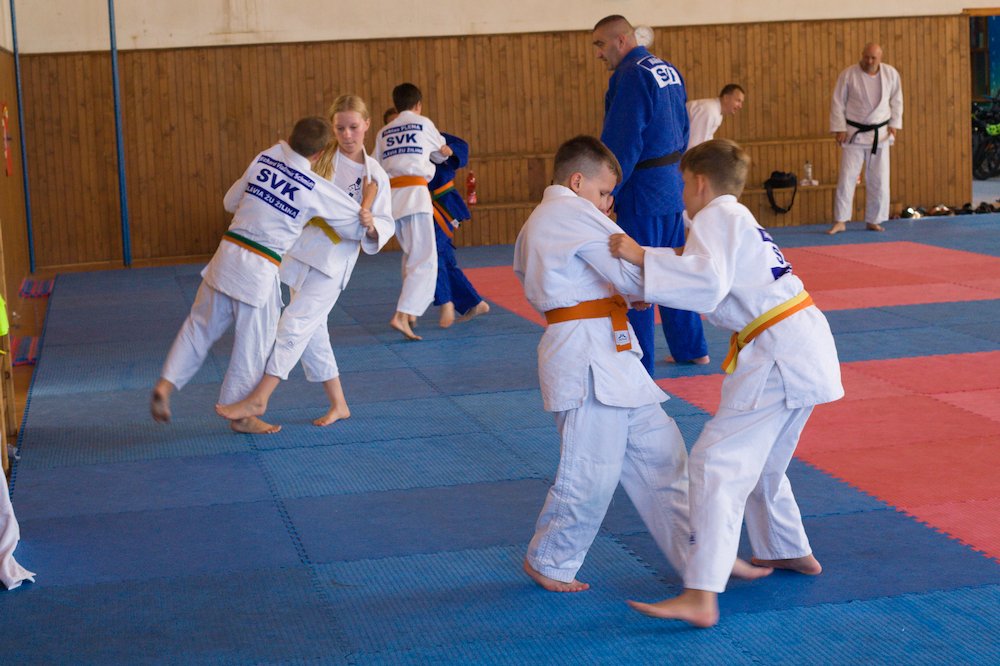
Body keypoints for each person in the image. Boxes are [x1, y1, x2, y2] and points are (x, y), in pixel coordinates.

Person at [611, 139, 843, 627]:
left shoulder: (715, 216)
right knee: (763, 464)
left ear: (699, 182)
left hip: (778, 354)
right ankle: (785, 548)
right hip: (800, 343)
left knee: (715, 463)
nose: (682, 195)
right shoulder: (736, 218)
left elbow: (706, 284)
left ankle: (701, 594)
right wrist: (648, 262)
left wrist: (641, 257)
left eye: (682, 185)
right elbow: (700, 268)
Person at [514, 135, 691, 593]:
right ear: (577, 182)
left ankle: (700, 557)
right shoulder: (570, 212)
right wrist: (682, 269)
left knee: (662, 455)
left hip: (608, 350)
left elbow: (591, 281)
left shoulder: (546, 220)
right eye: (604, 192)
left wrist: (629, 290)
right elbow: (627, 271)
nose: (608, 204)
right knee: (591, 469)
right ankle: (550, 559)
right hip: (586, 356)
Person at [150, 117, 371, 434]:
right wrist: (368, 200)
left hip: (226, 254)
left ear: (289, 138)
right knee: (255, 343)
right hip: (258, 268)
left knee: (199, 326)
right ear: (320, 154)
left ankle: (165, 384)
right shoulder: (314, 187)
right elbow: (355, 222)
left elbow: (230, 201)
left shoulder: (266, 156)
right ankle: (243, 415)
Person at [216, 95, 394, 428]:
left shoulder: (375, 176)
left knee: (293, 325)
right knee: (313, 332)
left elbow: (385, 223)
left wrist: (371, 224)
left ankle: (260, 397)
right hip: (301, 251)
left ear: (367, 125)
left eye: (354, 127)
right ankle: (339, 404)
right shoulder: (319, 159)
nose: (347, 135)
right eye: (340, 128)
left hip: (334, 262)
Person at [592, 14, 709, 374]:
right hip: (671, 185)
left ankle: (638, 360)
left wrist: (606, 189)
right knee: (672, 268)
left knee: (636, 271)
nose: (598, 53)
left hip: (642, 190)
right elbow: (685, 128)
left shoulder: (630, 75)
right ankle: (692, 348)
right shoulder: (666, 69)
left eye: (600, 44)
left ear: (621, 40)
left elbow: (623, 140)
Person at [375, 83, 452, 340]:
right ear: (418, 105)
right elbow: (440, 154)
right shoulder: (423, 123)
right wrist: (445, 153)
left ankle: (408, 316)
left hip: (392, 199)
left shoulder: (384, 131)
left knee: (411, 256)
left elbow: (375, 165)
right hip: (416, 197)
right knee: (425, 259)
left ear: (396, 105)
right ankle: (403, 313)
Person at [827, 43, 903, 235]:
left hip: (881, 134)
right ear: (861, 55)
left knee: (879, 179)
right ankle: (841, 220)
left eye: (873, 58)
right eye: (866, 57)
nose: (869, 61)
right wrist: (839, 128)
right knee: (847, 178)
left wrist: (894, 123)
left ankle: (874, 220)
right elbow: (838, 102)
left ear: (880, 58)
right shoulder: (848, 75)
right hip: (854, 133)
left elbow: (897, 101)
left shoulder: (891, 74)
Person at [428, 131, 490, 327]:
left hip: (442, 203)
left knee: (432, 254)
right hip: (420, 205)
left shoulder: (428, 132)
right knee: (444, 258)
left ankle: (445, 302)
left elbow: (462, 145)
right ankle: (474, 303)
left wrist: (451, 150)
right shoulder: (394, 144)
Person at [686, 84, 746, 150]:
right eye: (738, 101)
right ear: (726, 98)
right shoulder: (709, 111)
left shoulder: (715, 111)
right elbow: (694, 145)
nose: (740, 106)